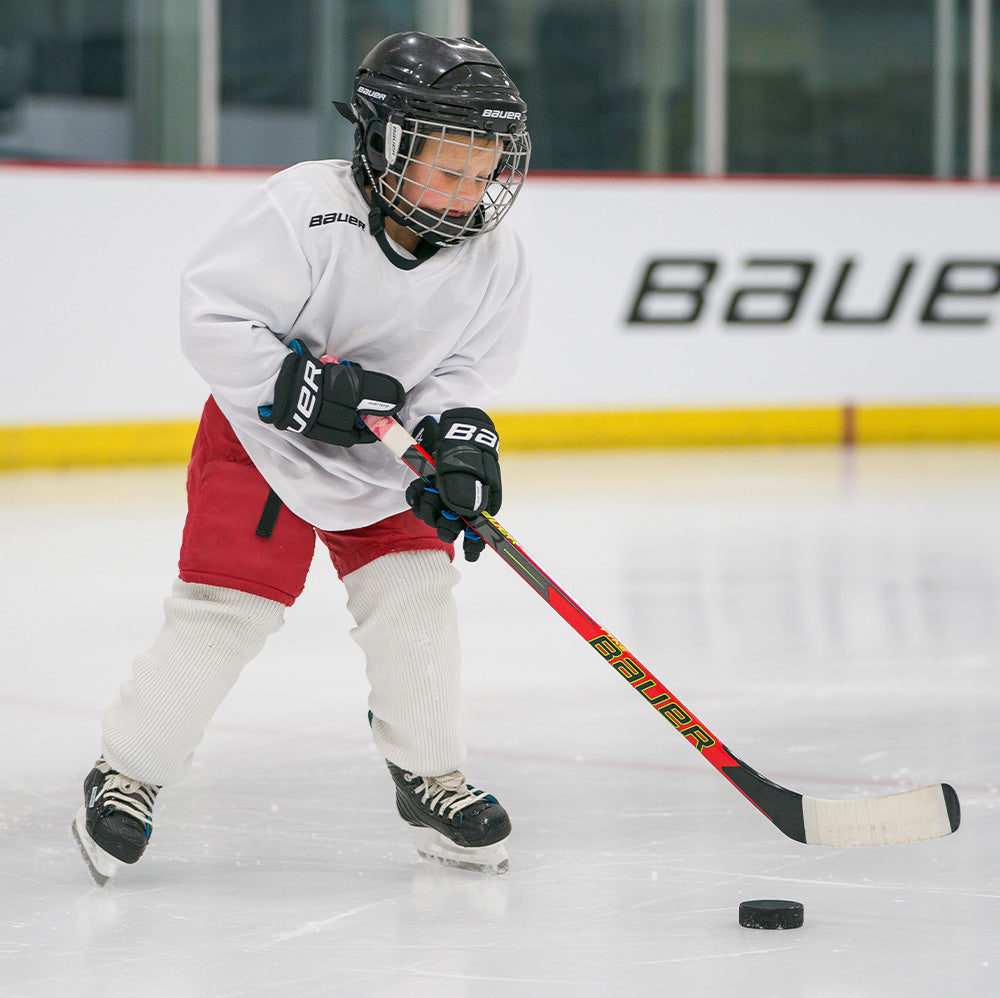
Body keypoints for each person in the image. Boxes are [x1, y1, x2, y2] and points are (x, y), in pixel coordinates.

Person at [71, 31, 531, 885]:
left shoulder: (495, 258)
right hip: (265, 444)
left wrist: (459, 439)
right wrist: (297, 386)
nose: (469, 196)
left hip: (384, 461)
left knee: (416, 596)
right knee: (225, 612)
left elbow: (464, 369)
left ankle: (428, 774)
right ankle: (126, 772)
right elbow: (213, 314)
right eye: (447, 170)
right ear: (386, 143)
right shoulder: (304, 207)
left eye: (484, 174)